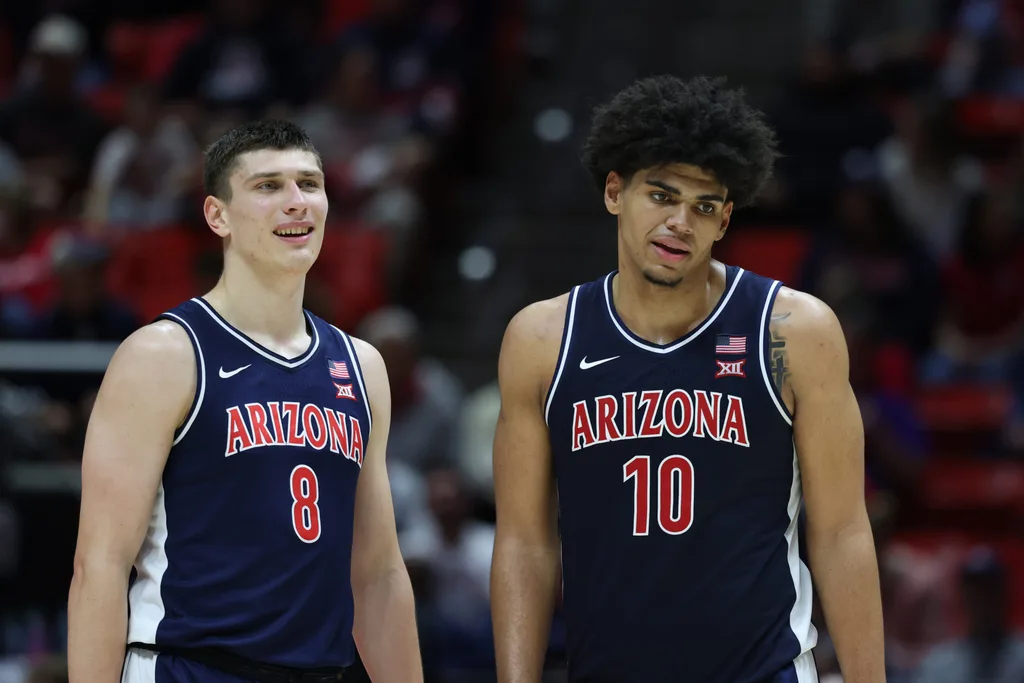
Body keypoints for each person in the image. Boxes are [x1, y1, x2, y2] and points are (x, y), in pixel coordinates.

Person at [490, 75, 886, 683]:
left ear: (726, 219)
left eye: (704, 206)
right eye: (661, 195)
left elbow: (840, 533)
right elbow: (524, 543)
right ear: (614, 192)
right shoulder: (543, 341)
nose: (681, 222)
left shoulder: (793, 331)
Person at [67, 120, 422, 683]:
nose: (296, 202)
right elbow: (100, 566)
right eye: (267, 186)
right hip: (189, 667)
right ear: (218, 215)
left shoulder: (362, 366)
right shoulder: (164, 354)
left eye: (309, 183)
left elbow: (377, 573)